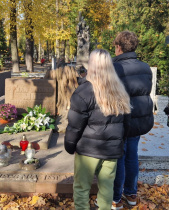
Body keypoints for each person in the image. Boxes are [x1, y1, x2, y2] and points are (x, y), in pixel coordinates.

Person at [64, 49, 131, 210]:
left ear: (91, 66)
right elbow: (126, 124)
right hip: (111, 151)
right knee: (107, 189)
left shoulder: (83, 92)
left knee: (81, 188)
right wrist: (120, 143)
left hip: (88, 151)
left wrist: (70, 146)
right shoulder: (120, 91)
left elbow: (74, 125)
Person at [112, 31, 154, 209]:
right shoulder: (145, 67)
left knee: (119, 158)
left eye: (115, 46)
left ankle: (115, 198)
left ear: (119, 47)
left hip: (120, 119)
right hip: (138, 119)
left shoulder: (115, 67)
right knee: (132, 156)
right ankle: (130, 194)